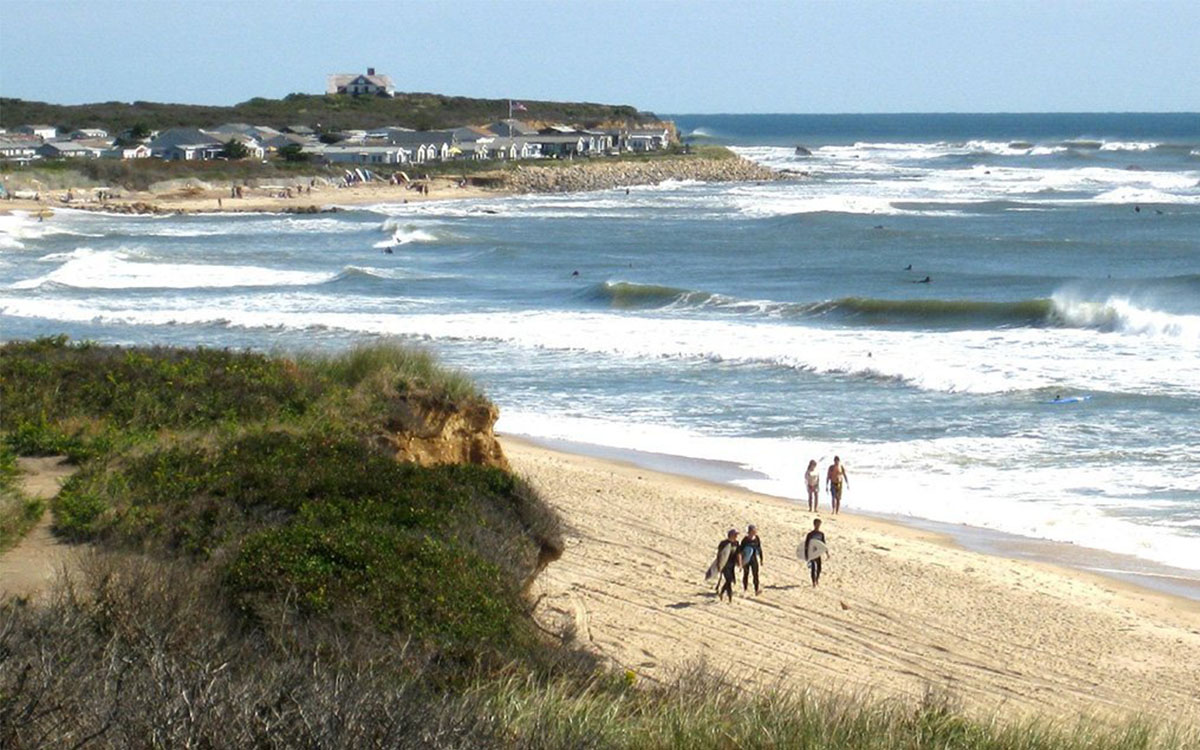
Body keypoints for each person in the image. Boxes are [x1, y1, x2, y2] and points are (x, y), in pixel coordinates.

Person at [716, 528, 742, 602]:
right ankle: (730, 597)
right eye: (735, 535)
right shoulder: (723, 543)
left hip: (732, 564)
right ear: (731, 535)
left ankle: (721, 593)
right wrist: (719, 565)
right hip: (724, 565)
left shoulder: (736, 543)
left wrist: (740, 564)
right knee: (728, 580)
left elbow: (738, 554)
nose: (736, 536)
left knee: (730, 580)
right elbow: (720, 555)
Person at [739, 525, 763, 595]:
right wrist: (741, 562)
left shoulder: (757, 538)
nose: (755, 532)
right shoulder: (745, 540)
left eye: (755, 530)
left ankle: (756, 590)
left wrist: (761, 559)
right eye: (753, 531)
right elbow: (741, 551)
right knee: (746, 574)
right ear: (749, 532)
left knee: (755, 575)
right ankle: (745, 589)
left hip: (754, 559)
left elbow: (759, 548)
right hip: (747, 560)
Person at [804, 518, 826, 587]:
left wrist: (827, 552)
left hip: (818, 553)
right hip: (812, 553)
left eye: (819, 524)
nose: (818, 526)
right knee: (813, 568)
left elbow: (823, 543)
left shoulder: (821, 534)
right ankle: (813, 582)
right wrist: (806, 555)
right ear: (814, 524)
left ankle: (817, 580)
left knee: (819, 568)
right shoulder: (810, 534)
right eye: (817, 524)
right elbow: (806, 545)